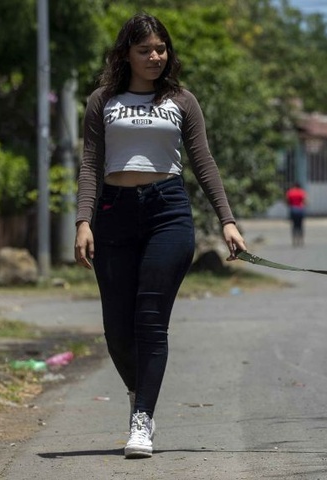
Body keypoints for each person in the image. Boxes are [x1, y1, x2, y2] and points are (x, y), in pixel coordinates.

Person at [73, 12, 247, 459]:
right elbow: (91, 163)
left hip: (168, 211)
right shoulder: (102, 100)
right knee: (117, 329)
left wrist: (227, 219)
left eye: (160, 49)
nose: (154, 56)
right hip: (113, 212)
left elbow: (203, 162)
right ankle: (140, 395)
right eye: (144, 49)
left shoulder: (181, 100)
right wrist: (83, 221)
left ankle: (142, 419)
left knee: (150, 320)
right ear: (125, 54)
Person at [285, 182, 307, 247]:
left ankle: (294, 240)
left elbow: (287, 201)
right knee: (300, 226)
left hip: (293, 210)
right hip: (300, 210)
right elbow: (305, 201)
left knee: (294, 226)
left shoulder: (290, 192)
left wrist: (290, 204)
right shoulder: (302, 192)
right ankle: (301, 240)